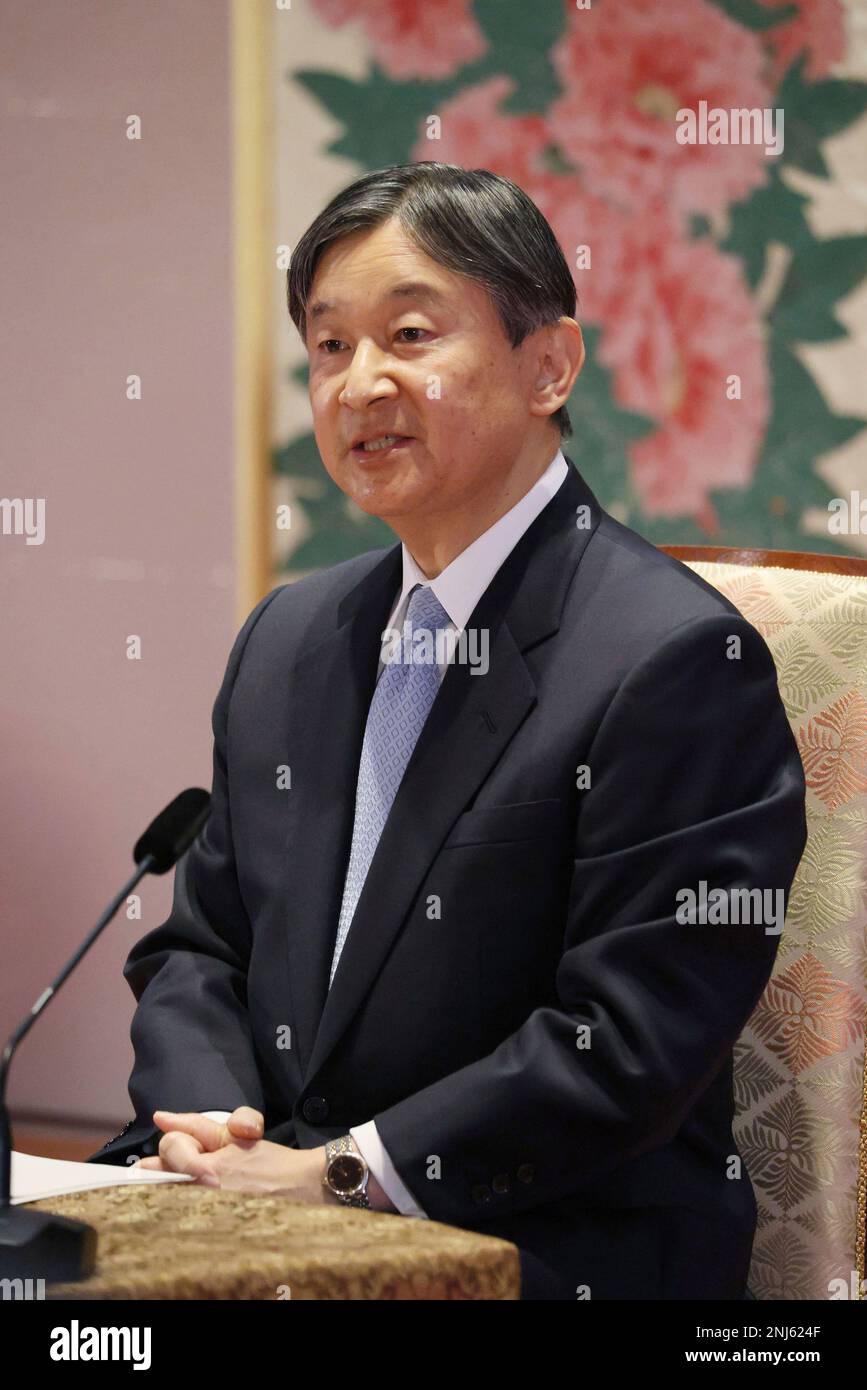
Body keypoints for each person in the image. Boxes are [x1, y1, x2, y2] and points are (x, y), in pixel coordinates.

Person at [90, 162, 807, 1300]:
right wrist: (213, 1133)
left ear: (550, 364)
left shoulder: (671, 663)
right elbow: (201, 949)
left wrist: (335, 1176)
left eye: (410, 333)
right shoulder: (292, 636)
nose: (360, 381)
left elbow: (624, 1042)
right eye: (329, 348)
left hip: (544, 1242)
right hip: (257, 1209)